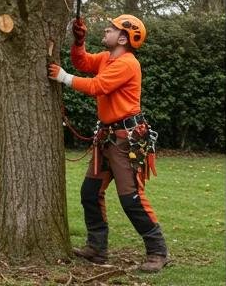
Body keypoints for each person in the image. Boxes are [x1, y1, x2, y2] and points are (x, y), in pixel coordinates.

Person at [49, 14, 169, 273]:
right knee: (90, 193)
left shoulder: (127, 64)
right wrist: (78, 41)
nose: (106, 30)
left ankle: (158, 251)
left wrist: (63, 77)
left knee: (132, 199)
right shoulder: (107, 58)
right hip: (106, 136)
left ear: (124, 38)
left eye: (112, 29)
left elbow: (97, 86)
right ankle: (97, 248)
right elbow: (82, 61)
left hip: (125, 142)